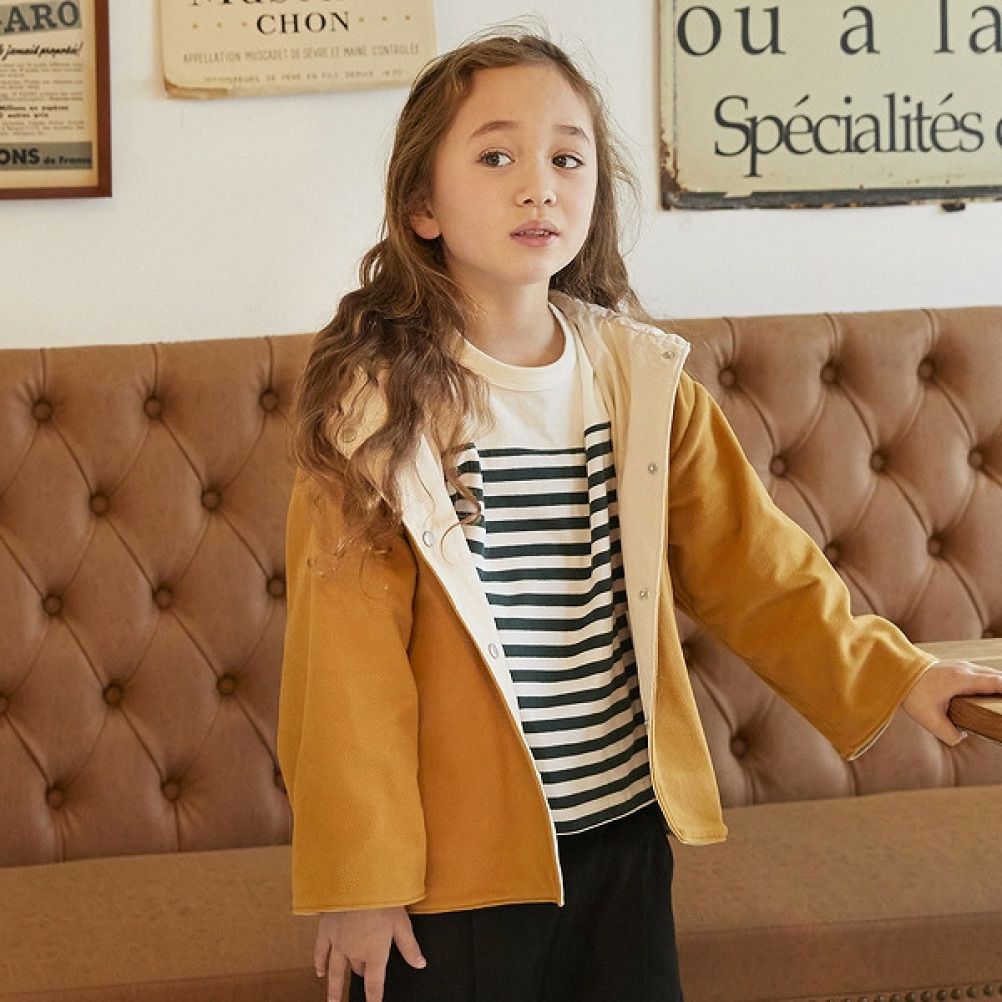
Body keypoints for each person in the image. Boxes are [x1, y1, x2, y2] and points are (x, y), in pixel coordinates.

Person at [277, 28, 1002, 1002]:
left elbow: (759, 571)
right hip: (456, 871)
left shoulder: (644, 382)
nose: (538, 187)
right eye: (495, 158)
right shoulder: (373, 411)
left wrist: (898, 674)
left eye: (566, 159)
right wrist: (360, 883)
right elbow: (345, 674)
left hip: (625, 838)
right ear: (422, 206)